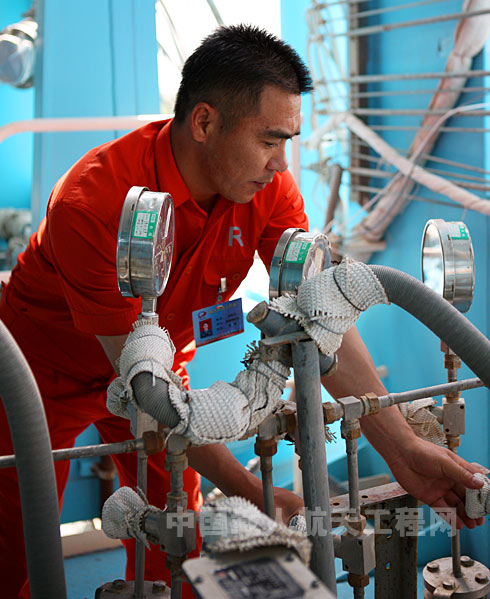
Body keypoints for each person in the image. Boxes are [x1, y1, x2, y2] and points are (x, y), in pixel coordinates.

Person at [0, 24, 484, 599]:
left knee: (177, 541)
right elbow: (141, 389)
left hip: (158, 368)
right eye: (269, 141)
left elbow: (322, 312)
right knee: (17, 549)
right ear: (204, 122)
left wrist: (402, 449)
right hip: (40, 379)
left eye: (288, 142)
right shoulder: (94, 203)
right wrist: (249, 490)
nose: (281, 163)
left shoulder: (266, 190)